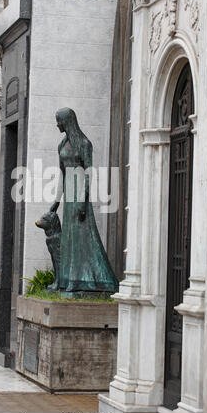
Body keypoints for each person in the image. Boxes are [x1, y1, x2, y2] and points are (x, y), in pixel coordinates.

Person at [50, 107, 119, 294]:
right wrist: (56, 202)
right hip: (69, 198)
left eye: (59, 120)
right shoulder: (62, 145)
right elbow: (62, 175)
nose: (57, 124)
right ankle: (68, 279)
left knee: (82, 237)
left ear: (67, 121)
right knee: (69, 238)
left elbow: (89, 174)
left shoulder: (84, 144)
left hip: (80, 196)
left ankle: (83, 279)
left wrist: (82, 200)